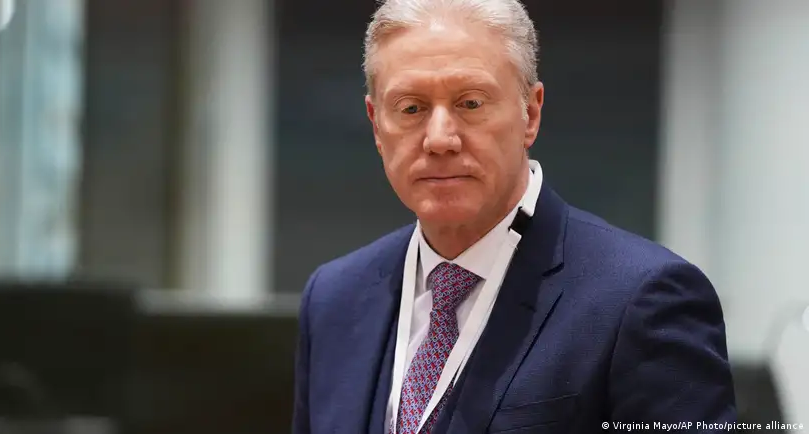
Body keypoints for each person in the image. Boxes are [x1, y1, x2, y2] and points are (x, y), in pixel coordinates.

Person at [290, 1, 737, 433]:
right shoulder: (333, 299)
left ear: (531, 114)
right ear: (376, 125)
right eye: (411, 108)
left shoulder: (642, 299)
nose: (439, 139)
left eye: (470, 103)